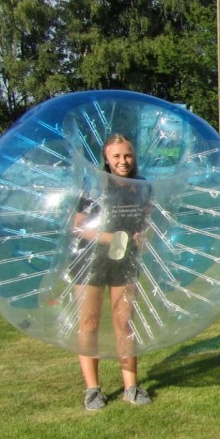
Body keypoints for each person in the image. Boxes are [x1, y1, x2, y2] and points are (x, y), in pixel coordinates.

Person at [71, 134, 152, 410]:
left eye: (127, 155)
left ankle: (131, 387)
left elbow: (146, 220)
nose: (123, 161)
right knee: (89, 323)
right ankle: (92, 390)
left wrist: (142, 235)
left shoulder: (141, 187)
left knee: (124, 323)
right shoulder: (95, 185)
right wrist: (109, 238)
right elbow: (78, 226)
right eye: (116, 156)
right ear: (106, 158)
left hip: (125, 260)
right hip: (89, 261)